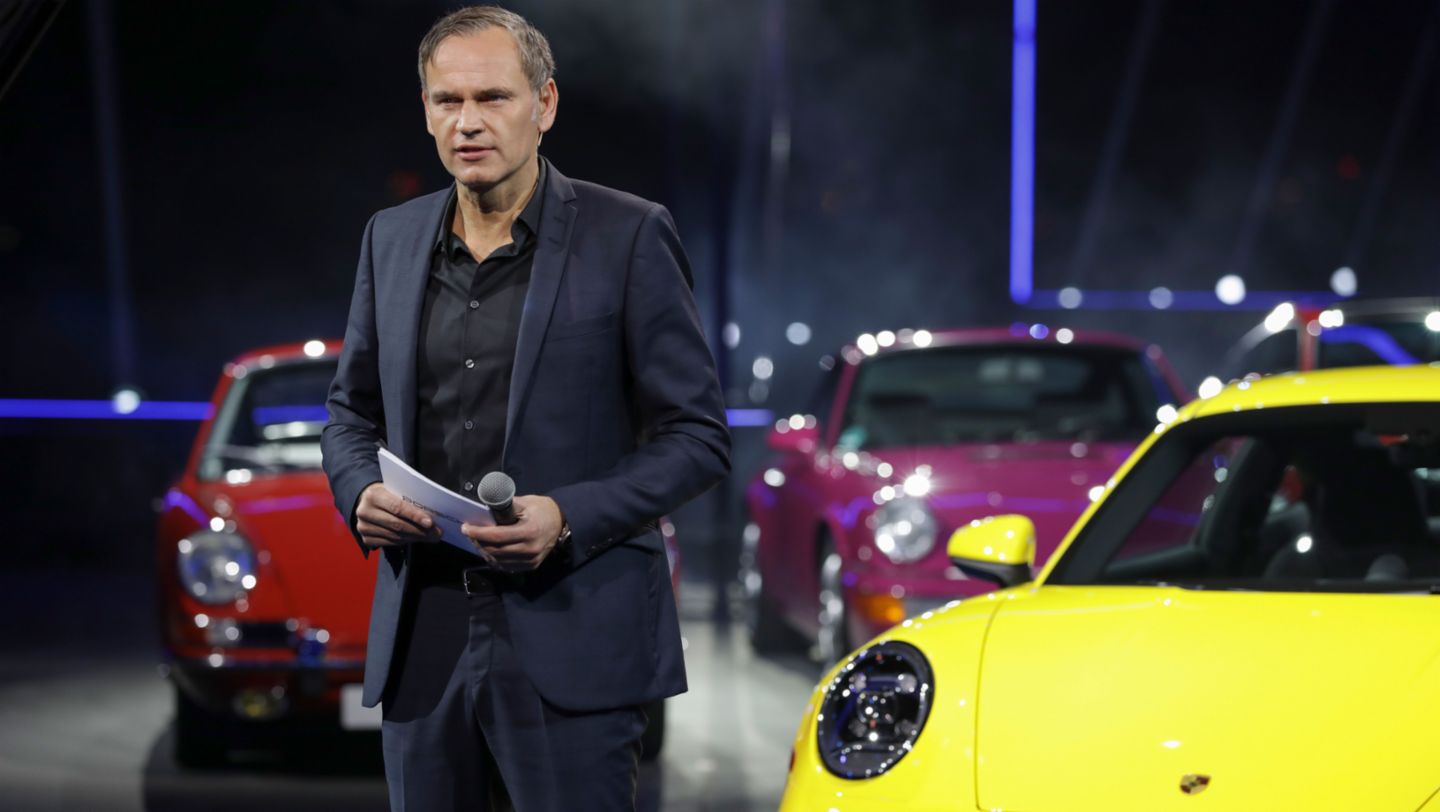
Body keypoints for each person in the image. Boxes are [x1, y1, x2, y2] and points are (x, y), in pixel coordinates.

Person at [320, 6, 731, 810]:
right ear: (427, 111)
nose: (468, 122)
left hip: (574, 637)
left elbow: (697, 438)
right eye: (447, 102)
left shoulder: (630, 234)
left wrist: (567, 515)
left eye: (493, 98)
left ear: (543, 106)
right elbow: (349, 417)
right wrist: (358, 491)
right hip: (425, 641)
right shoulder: (391, 239)